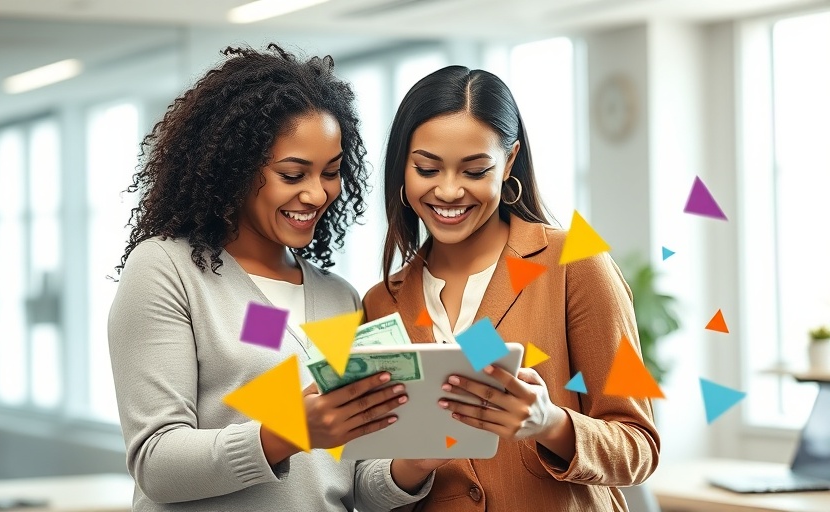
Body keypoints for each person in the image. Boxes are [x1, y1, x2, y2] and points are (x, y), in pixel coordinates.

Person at [108, 44, 435, 512]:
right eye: (292, 173)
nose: (316, 193)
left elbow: (355, 481)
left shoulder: (340, 297)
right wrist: (288, 431)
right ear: (235, 168)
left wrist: (414, 464)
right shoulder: (167, 270)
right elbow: (157, 463)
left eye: (331, 172)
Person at [362, 65, 660, 511]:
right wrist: (412, 462)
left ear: (509, 163)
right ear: (402, 167)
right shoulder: (381, 301)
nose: (448, 190)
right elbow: (373, 476)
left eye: (475, 170)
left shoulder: (573, 264)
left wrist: (549, 423)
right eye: (427, 168)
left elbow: (639, 447)